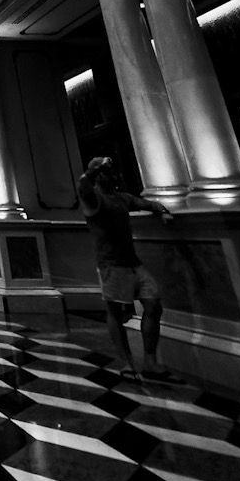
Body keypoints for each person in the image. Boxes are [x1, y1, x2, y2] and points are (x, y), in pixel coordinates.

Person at [78, 156, 175, 382]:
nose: (112, 176)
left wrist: (160, 209)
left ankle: (150, 361)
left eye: (112, 172)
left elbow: (144, 203)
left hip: (133, 262)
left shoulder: (121, 198)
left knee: (153, 304)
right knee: (115, 311)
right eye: (106, 173)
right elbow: (82, 187)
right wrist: (93, 169)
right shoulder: (94, 200)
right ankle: (126, 362)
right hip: (111, 264)